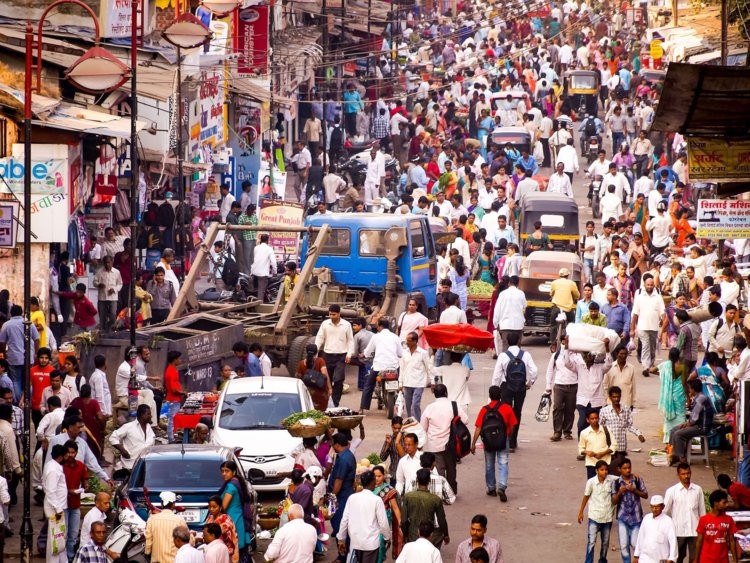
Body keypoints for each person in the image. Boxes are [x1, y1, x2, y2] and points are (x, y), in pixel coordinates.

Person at [491, 331, 537, 452]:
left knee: (506, 412)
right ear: (518, 341)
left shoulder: (503, 356)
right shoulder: (525, 355)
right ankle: (513, 441)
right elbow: (534, 371)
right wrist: (529, 383)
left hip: (506, 387)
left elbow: (497, 375)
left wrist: (494, 388)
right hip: (521, 388)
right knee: (517, 412)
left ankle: (506, 439)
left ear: (507, 342)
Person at [471, 385, 517, 502]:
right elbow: (512, 426)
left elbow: (478, 428)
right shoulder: (507, 408)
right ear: (500, 395)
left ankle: (491, 488)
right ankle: (502, 486)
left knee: (489, 465)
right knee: (503, 463)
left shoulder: (484, 410)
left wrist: (473, 444)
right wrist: (508, 436)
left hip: (488, 442)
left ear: (489, 396)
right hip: (502, 440)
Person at [337, 469, 391, 563]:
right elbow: (383, 523)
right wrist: (387, 538)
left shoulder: (352, 498)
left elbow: (344, 520)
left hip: (355, 542)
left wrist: (341, 539)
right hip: (371, 544)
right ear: (372, 482)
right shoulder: (376, 500)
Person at [421, 384, 466, 494]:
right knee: (451, 469)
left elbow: (423, 427)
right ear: (446, 393)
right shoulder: (454, 406)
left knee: (439, 470)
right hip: (451, 445)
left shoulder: (429, 408)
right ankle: (451, 491)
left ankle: (441, 492)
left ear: (435, 395)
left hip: (434, 444)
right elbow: (465, 420)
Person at [664, 462, 706, 563]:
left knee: (695, 558)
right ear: (678, 475)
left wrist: (704, 530)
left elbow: (702, 511)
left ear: (691, 473)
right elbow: (664, 511)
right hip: (678, 531)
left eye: (688, 473)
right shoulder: (672, 491)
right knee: (677, 558)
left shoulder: (698, 490)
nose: (686, 476)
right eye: (683, 474)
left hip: (695, 530)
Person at [315, 304, 355, 407]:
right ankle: (325, 401)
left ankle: (335, 403)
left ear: (339, 314)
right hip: (327, 355)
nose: (332, 317)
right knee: (325, 379)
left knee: (338, 379)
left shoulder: (346, 325)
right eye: (330, 314)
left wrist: (349, 354)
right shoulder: (325, 324)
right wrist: (315, 352)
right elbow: (320, 338)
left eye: (334, 314)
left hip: (341, 356)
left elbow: (351, 341)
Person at [578, 460, 617, 563]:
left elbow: (623, 478)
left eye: (606, 470)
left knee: (605, 543)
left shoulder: (612, 480)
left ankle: (602, 560)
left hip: (607, 517)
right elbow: (586, 497)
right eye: (602, 470)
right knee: (591, 542)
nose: (604, 472)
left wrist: (632, 475)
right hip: (594, 516)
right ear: (596, 471)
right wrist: (581, 512)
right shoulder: (591, 482)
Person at [401, 468, 449, 548]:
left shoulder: (407, 497)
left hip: (413, 534)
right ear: (429, 480)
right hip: (430, 536)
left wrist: (405, 535)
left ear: (417, 480)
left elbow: (404, 520)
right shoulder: (435, 499)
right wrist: (446, 534)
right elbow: (442, 520)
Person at [361, 318, 402, 413]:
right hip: (394, 367)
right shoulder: (395, 337)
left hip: (378, 367)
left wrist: (364, 354)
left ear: (380, 326)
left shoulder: (376, 337)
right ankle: (401, 404)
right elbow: (400, 353)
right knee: (401, 383)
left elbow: (368, 351)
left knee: (368, 385)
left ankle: (362, 408)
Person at [612, 458, 648, 563]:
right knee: (623, 545)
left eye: (629, 468)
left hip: (636, 517)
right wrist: (619, 492)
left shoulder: (637, 480)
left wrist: (634, 490)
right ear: (619, 469)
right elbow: (613, 501)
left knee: (635, 544)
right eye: (625, 468)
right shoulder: (616, 483)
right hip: (623, 517)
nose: (627, 470)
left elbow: (645, 495)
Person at [668, 379, 713, 465]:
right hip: (697, 424)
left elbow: (693, 419)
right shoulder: (699, 397)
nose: (688, 390)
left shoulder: (700, 399)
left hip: (701, 427)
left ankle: (681, 458)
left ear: (693, 389)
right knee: (673, 430)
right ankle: (673, 454)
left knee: (678, 434)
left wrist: (686, 425)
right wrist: (685, 424)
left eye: (689, 388)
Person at [0, 304, 39, 400]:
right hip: (28, 357)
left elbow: (2, 342)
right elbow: (37, 339)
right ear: (21, 312)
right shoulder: (28, 323)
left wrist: (5, 354)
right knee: (28, 381)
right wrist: (36, 353)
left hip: (13, 358)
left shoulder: (6, 325)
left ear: (11, 313)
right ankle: (27, 401)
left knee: (16, 381)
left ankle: (18, 402)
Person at [631, 275, 665, 376]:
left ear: (654, 285)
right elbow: (635, 314)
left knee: (652, 347)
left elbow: (662, 312)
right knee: (645, 346)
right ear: (644, 285)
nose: (649, 286)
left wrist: (663, 320)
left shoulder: (658, 297)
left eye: (651, 285)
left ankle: (650, 364)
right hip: (642, 327)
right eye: (648, 285)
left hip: (654, 327)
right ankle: (646, 367)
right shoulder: (639, 297)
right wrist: (632, 329)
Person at [599, 386, 645, 459]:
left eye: (618, 397)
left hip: (621, 446)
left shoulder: (626, 410)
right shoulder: (604, 411)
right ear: (610, 397)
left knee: (621, 467)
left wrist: (639, 434)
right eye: (614, 397)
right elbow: (600, 428)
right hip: (609, 446)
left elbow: (629, 425)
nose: (616, 399)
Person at [695, 489, 741, 562]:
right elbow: (699, 541)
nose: (727, 505)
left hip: (723, 559)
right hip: (706, 559)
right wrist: (696, 560)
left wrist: (735, 560)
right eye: (724, 502)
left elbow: (732, 541)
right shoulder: (703, 519)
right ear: (716, 503)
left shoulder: (729, 519)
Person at [399, 332, 434, 422]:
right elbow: (402, 368)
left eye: (409, 341)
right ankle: (411, 421)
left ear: (415, 341)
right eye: (406, 340)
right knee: (408, 405)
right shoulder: (404, 353)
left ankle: (418, 422)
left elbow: (429, 368)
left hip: (419, 383)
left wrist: (432, 381)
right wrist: (400, 382)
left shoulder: (423, 353)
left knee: (415, 404)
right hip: (407, 382)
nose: (407, 343)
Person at [218, 461, 250, 559]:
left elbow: (223, 507)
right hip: (238, 520)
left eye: (226, 471)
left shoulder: (231, 486)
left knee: (233, 554)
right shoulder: (237, 482)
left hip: (232, 522)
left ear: (234, 472)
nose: (224, 474)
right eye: (222, 471)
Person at [328, 432, 357, 544]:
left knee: (339, 524)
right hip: (344, 495)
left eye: (332, 445)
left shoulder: (343, 459)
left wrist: (331, 498)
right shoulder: (348, 455)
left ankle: (343, 556)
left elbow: (338, 481)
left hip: (340, 497)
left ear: (337, 445)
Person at [144, 490, 188, 562]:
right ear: (173, 504)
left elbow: (148, 539)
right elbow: (187, 540)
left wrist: (147, 553)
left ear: (161, 504)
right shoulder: (179, 520)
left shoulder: (152, 519)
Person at [633, 495, 678, 563]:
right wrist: (636, 555)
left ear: (663, 507)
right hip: (645, 558)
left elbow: (673, 541)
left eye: (657, 507)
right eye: (652, 507)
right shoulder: (646, 518)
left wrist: (671, 558)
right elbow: (640, 537)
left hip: (660, 558)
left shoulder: (668, 521)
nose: (654, 509)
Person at [109, 404, 155, 470]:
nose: (151, 416)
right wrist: (123, 450)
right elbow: (113, 437)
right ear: (142, 415)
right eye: (148, 414)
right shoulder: (129, 427)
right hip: (131, 465)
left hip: (147, 464)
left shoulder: (149, 428)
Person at [63, 440, 88, 560]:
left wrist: (85, 486)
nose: (70, 455)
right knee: (64, 534)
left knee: (73, 534)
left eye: (73, 452)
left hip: (75, 504)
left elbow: (85, 481)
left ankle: (70, 557)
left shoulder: (81, 466)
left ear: (76, 453)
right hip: (63, 505)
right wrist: (69, 491)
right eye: (68, 453)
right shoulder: (60, 467)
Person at [43, 444, 68, 563]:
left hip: (59, 508)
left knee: (60, 536)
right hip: (55, 510)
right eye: (66, 455)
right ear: (61, 457)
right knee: (55, 538)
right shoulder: (53, 469)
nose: (68, 457)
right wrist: (58, 508)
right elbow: (50, 491)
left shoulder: (54, 466)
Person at [372, 465, 403, 561]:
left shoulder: (388, 489)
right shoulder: (368, 487)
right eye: (374, 476)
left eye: (379, 476)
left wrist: (400, 523)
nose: (376, 478)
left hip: (383, 518)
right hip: (370, 518)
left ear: (384, 476)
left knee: (380, 542)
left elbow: (395, 508)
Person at [70, 384, 106, 462]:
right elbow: (100, 417)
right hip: (92, 431)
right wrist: (103, 428)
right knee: (94, 448)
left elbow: (69, 413)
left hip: (77, 430)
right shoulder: (94, 402)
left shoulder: (75, 401)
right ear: (90, 393)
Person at [491, 275, 526, 354]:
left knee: (506, 347)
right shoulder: (521, 294)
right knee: (517, 348)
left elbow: (497, 310)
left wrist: (495, 324)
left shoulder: (503, 294)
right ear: (518, 284)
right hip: (518, 325)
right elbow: (524, 306)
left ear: (509, 283)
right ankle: (516, 364)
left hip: (505, 325)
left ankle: (506, 364)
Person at [296, 343, 332, 412]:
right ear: (316, 352)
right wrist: (330, 388)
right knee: (321, 415)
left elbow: (298, 378)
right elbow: (325, 375)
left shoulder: (301, 363)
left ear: (306, 352)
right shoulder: (320, 361)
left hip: (308, 394)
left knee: (310, 413)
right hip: (321, 394)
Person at [549, 268, 580, 345]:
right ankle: (569, 341)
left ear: (559, 275)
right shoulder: (571, 283)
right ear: (568, 275)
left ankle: (553, 343)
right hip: (568, 309)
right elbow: (577, 295)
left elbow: (551, 293)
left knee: (552, 325)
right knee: (571, 324)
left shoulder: (554, 283)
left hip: (556, 308)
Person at [93, 255, 123, 332]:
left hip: (113, 298)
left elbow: (120, 283)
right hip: (102, 298)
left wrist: (114, 289)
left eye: (109, 263)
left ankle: (110, 329)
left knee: (113, 315)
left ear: (112, 262)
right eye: (106, 263)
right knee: (102, 316)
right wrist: (98, 285)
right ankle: (103, 332)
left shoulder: (117, 272)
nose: (107, 264)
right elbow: (94, 281)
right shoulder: (99, 272)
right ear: (103, 263)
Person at [164, 350, 186, 443]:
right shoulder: (171, 371)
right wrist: (183, 393)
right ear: (175, 360)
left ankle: (172, 436)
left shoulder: (172, 370)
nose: (180, 360)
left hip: (174, 399)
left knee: (172, 419)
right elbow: (173, 390)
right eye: (179, 359)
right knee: (171, 420)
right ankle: (171, 439)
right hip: (173, 399)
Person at [250, 234, 276, 302]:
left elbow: (255, 258)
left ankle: (252, 303)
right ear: (268, 240)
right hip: (262, 273)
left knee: (254, 290)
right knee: (261, 291)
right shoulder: (269, 249)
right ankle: (259, 306)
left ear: (261, 240)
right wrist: (275, 273)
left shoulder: (256, 248)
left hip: (254, 271)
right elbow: (273, 262)